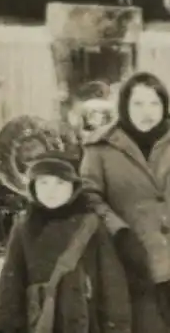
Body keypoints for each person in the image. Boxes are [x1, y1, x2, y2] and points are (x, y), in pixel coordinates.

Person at [0, 151, 131, 333]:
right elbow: (10, 290)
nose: (51, 190)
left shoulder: (91, 226)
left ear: (73, 187)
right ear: (33, 187)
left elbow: (112, 288)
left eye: (60, 183)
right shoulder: (24, 228)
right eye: (43, 182)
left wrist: (116, 328)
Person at [81, 71, 170, 332]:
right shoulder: (100, 147)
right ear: (124, 106)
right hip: (133, 264)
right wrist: (119, 232)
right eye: (138, 103)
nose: (147, 112)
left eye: (154, 103)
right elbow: (89, 196)